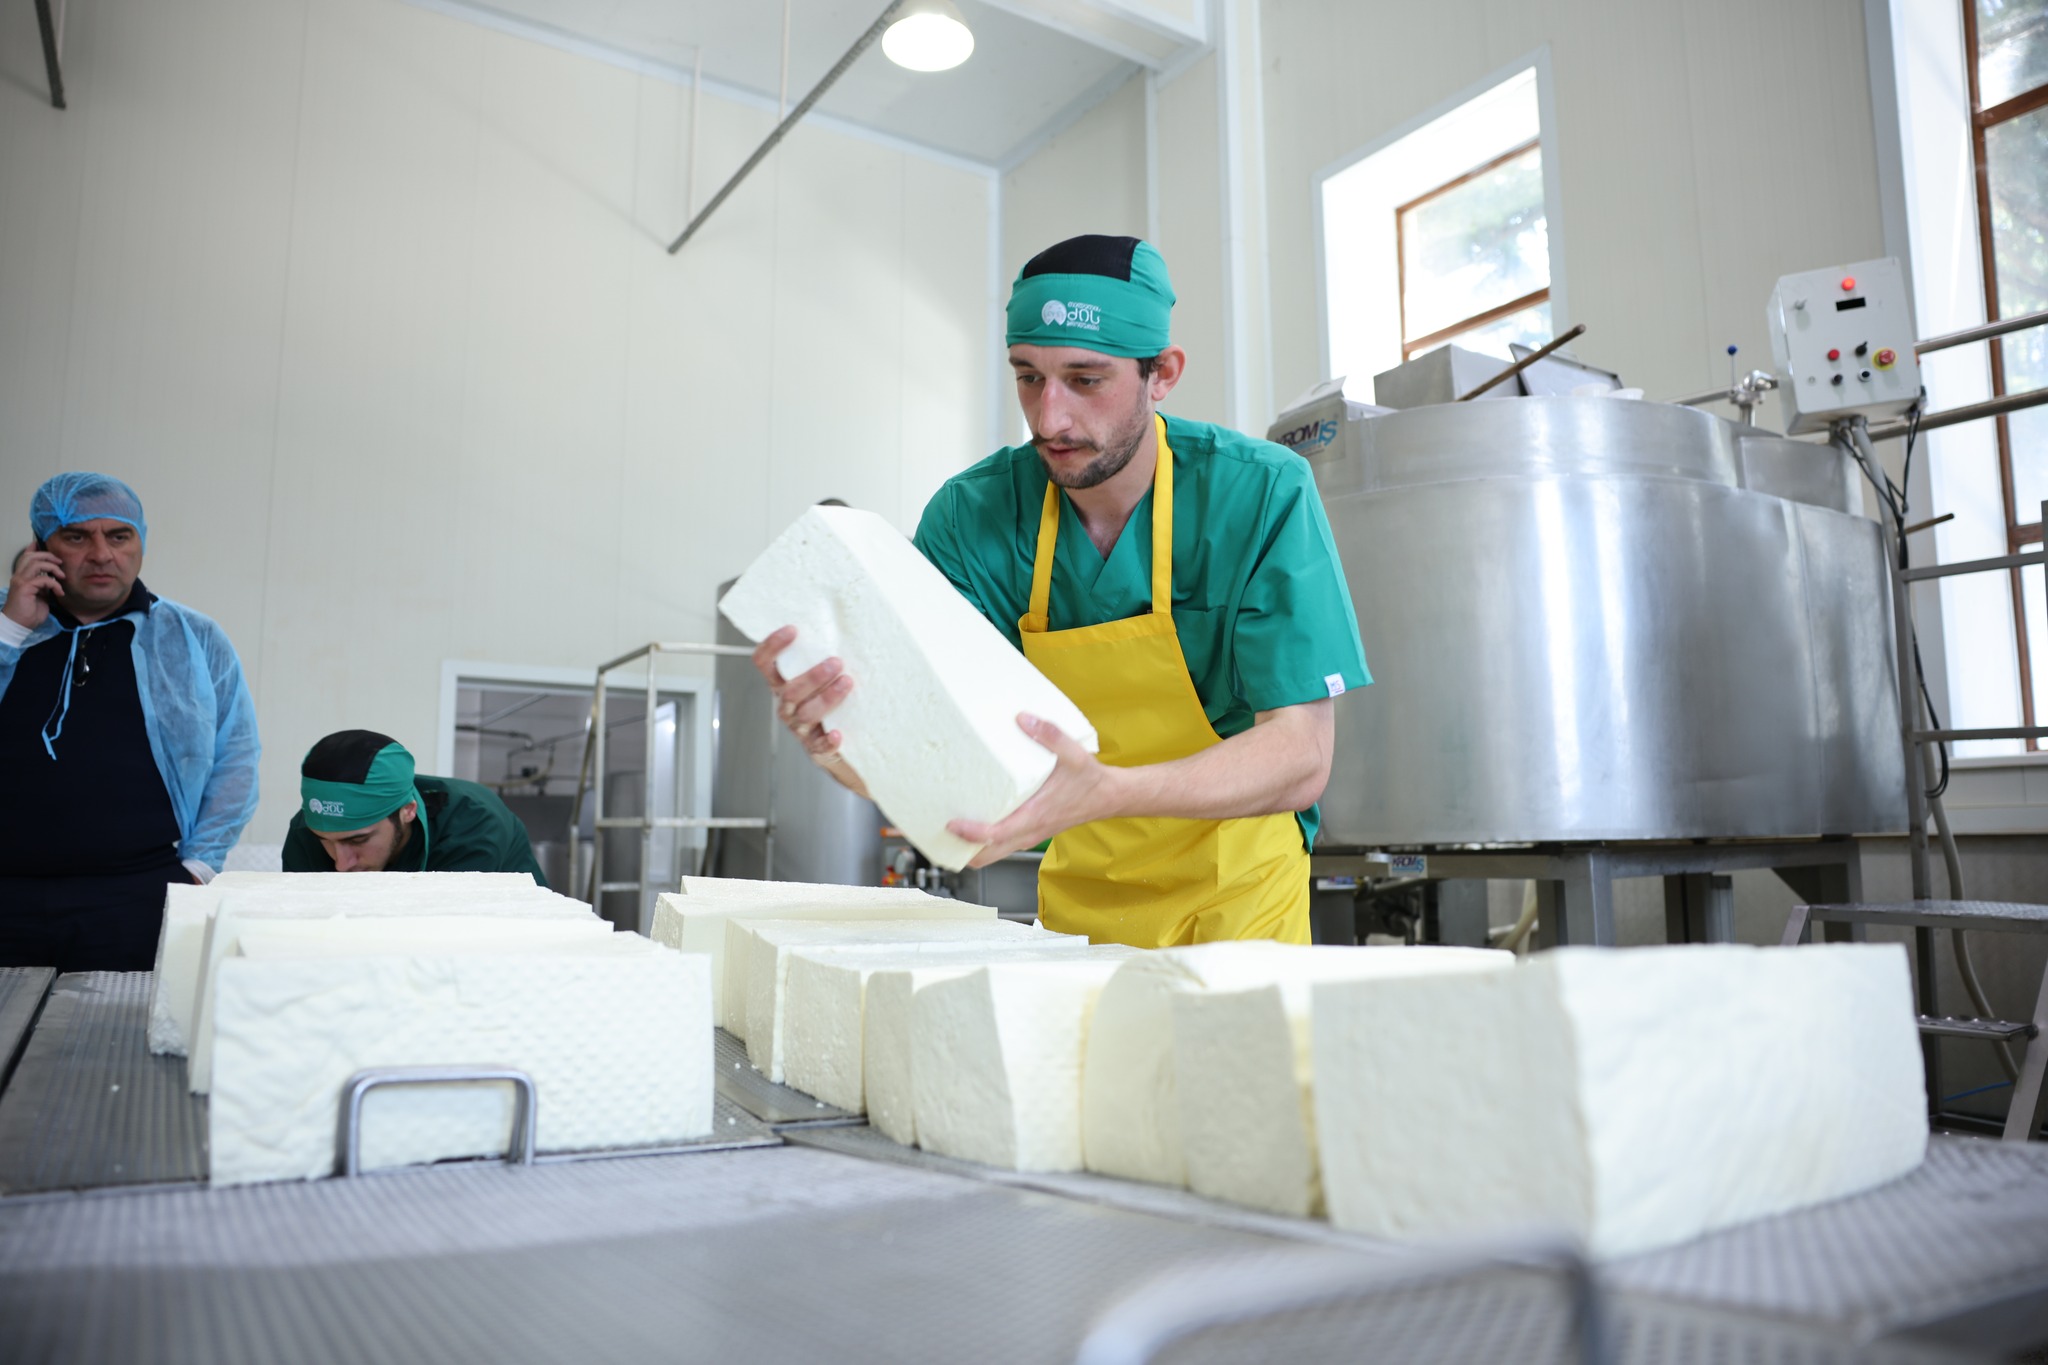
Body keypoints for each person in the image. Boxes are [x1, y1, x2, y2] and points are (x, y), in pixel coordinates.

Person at [754, 235, 1370, 948]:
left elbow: (1300, 755)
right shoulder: (972, 518)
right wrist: (845, 749)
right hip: (1079, 916)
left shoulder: (1259, 494)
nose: (1049, 419)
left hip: (1241, 904)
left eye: (1085, 380)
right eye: (1028, 377)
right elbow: (945, 769)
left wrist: (1114, 791)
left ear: (1162, 373)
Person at [0, 473, 261, 971]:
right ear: (41, 546)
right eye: (77, 537)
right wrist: (10, 630)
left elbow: (237, 756)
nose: (101, 554)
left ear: (140, 543)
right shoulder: (5, 623)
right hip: (7, 894)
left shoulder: (193, 637)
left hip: (138, 899)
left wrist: (199, 868)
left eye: (119, 536)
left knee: (124, 1024)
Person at [283, 729, 547, 883]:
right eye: (326, 842)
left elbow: (438, 934)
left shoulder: (474, 823)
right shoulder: (307, 829)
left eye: (359, 840)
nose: (341, 864)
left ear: (407, 811)